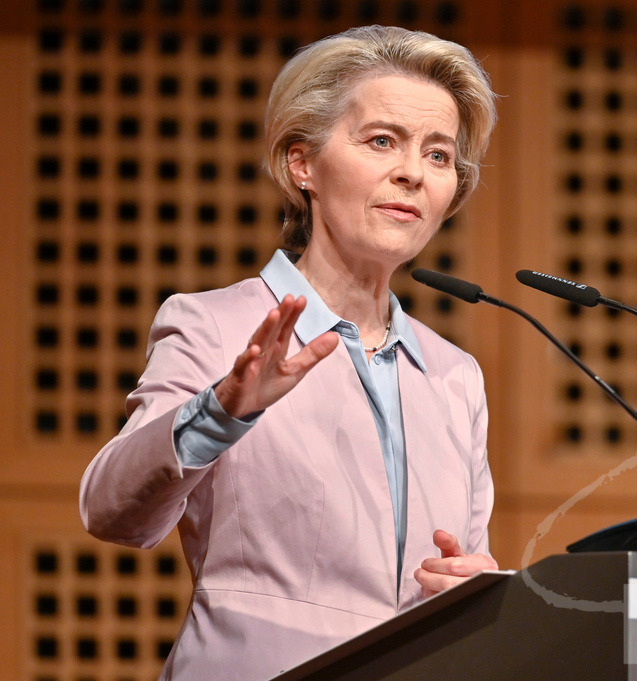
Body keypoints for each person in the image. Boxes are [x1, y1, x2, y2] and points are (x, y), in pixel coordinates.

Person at [79, 25, 499, 680]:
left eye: (439, 155)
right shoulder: (216, 325)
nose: (412, 173)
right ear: (302, 163)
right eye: (382, 140)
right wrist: (219, 412)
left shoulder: (454, 374)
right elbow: (112, 511)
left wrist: (478, 589)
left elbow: (466, 564)